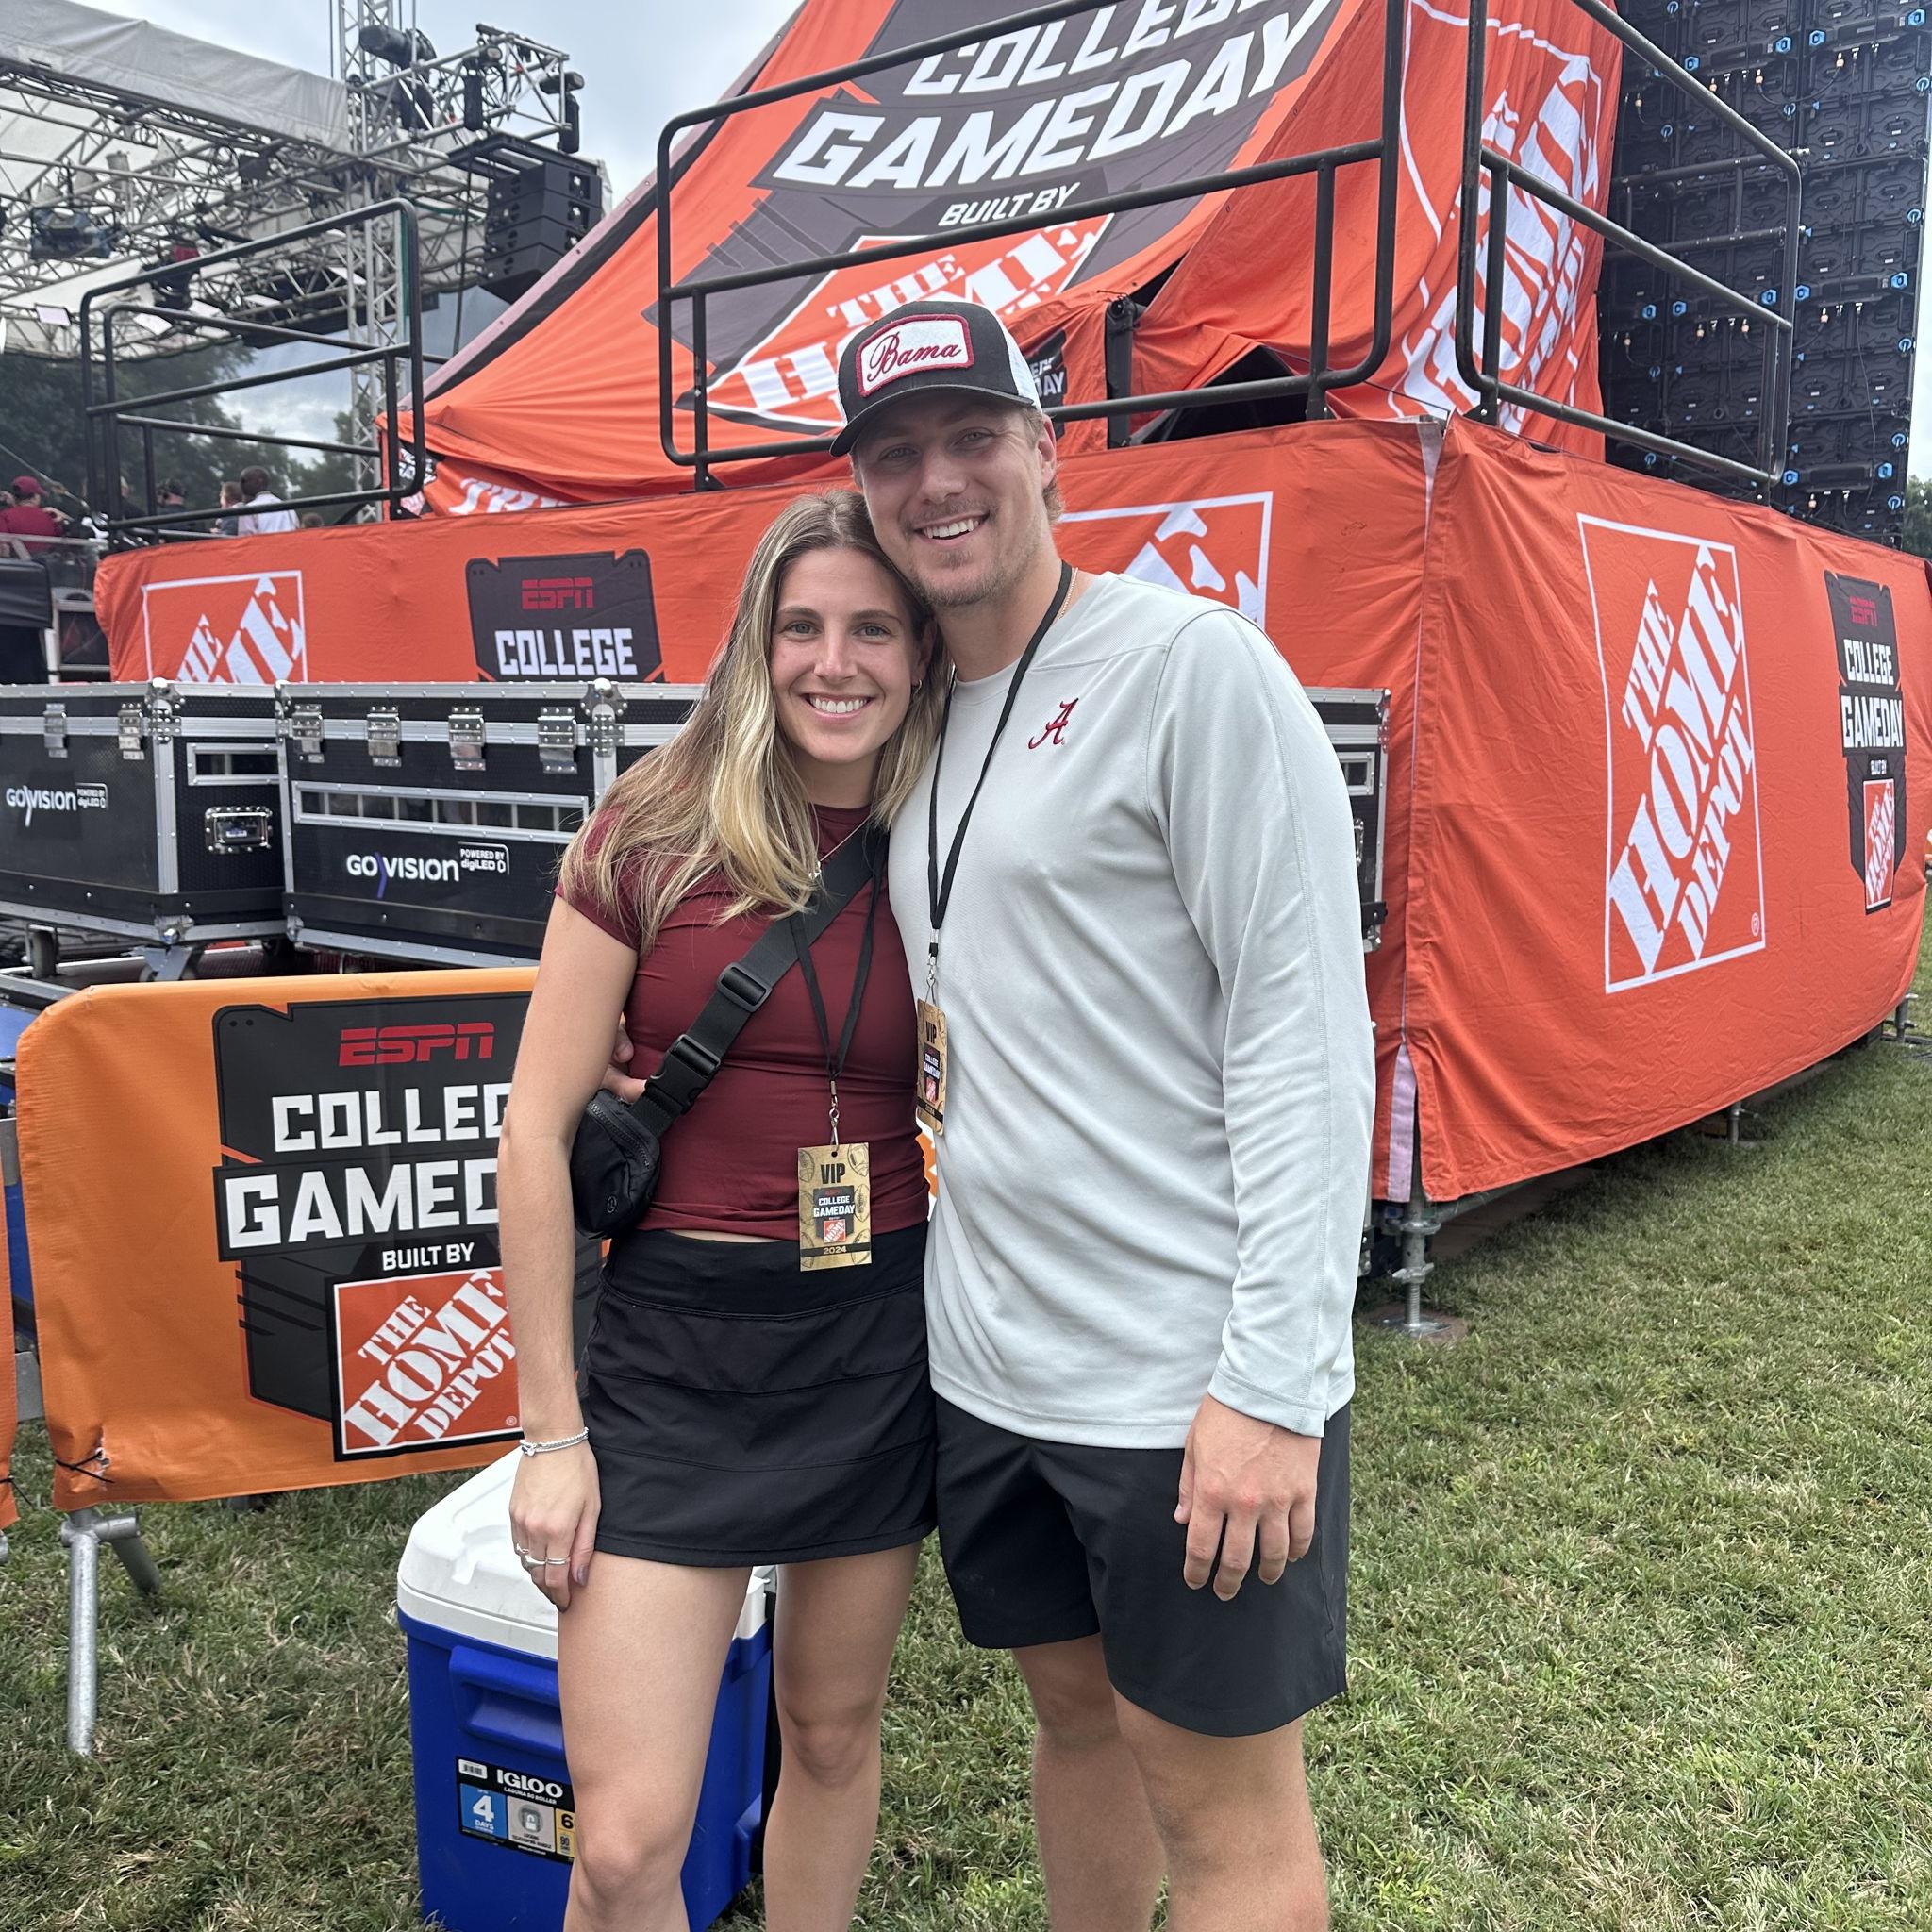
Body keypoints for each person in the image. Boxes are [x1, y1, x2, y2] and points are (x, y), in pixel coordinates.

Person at [837, 298, 1376, 1932]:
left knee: (1224, 1816)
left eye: (970, 437)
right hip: (989, 1369)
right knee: (1075, 1724)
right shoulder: (912, 710)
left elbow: (1303, 1038)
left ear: (1049, 449)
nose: (936, 481)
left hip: (1176, 1379)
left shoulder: (1189, 670)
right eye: (894, 454)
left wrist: (1274, 1384)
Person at [498, 490, 945, 1932]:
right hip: (673, 1353)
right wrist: (551, 1434)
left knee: (832, 1734)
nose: (836, 662)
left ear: (921, 650)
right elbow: (534, 1133)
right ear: (755, 641)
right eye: (802, 626)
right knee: (627, 1843)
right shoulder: (650, 828)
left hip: (871, 1341)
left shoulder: (953, 832)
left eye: (874, 628)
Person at [0, 475, 66, 549]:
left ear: (15, 497)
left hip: (13, 556)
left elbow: (3, 546)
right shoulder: (51, 517)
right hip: (45, 556)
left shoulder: (4, 516)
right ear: (35, 497)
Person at [234, 465, 298, 536]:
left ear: (258, 482)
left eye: (243, 481)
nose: (240, 485)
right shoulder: (289, 509)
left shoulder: (248, 510)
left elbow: (246, 539)